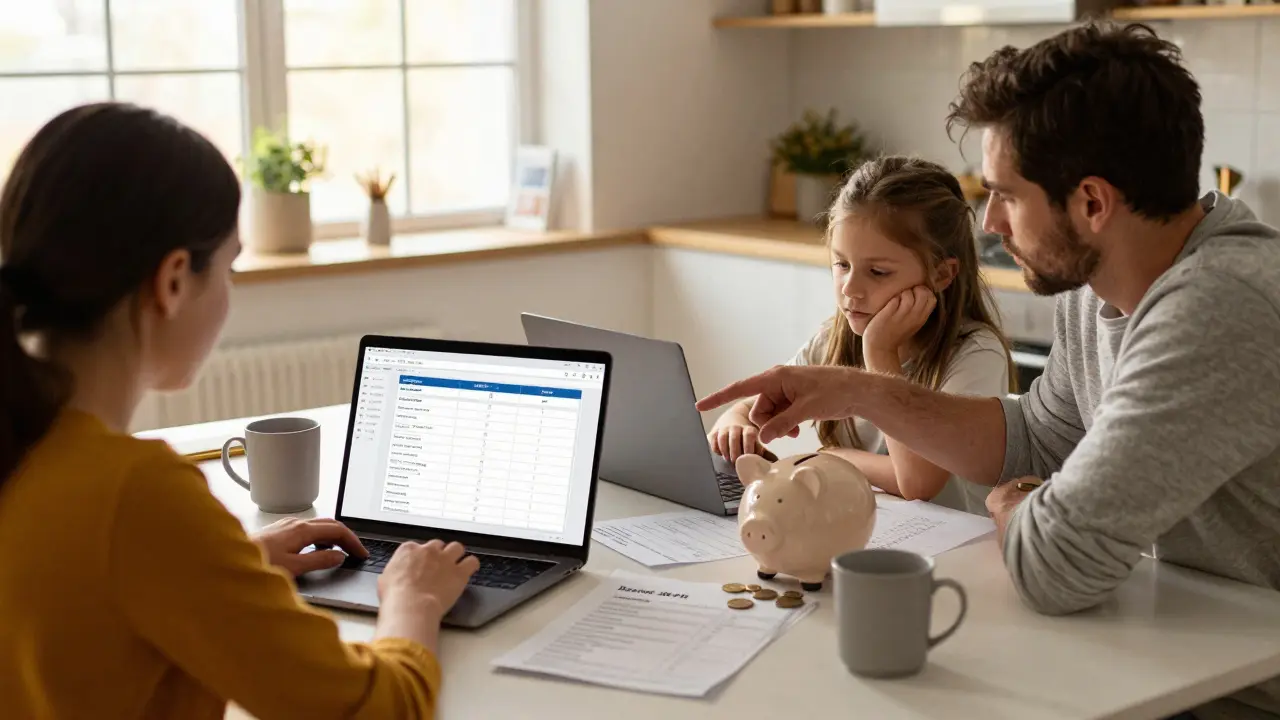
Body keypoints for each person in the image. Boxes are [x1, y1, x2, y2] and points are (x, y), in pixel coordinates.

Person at [697, 22, 1280, 719]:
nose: (990, 224)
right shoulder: (1096, 290)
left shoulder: (1219, 305)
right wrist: (856, 388)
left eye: (1005, 194)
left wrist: (1015, 504)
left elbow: (1056, 563)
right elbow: (1034, 437)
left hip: (1241, 691)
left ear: (1091, 203)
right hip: (1176, 653)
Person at [0, 103, 479, 719]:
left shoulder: (29, 444)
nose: (231, 293)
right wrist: (413, 599)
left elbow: (80, 603)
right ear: (172, 281)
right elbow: (380, 709)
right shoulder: (137, 494)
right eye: (227, 267)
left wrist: (231, 567)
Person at [707, 156, 1014, 515]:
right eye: (842, 264)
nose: (850, 289)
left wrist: (880, 353)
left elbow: (917, 482)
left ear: (942, 275)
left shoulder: (975, 354)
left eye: (878, 272)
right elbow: (758, 406)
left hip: (962, 550)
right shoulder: (834, 339)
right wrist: (735, 421)